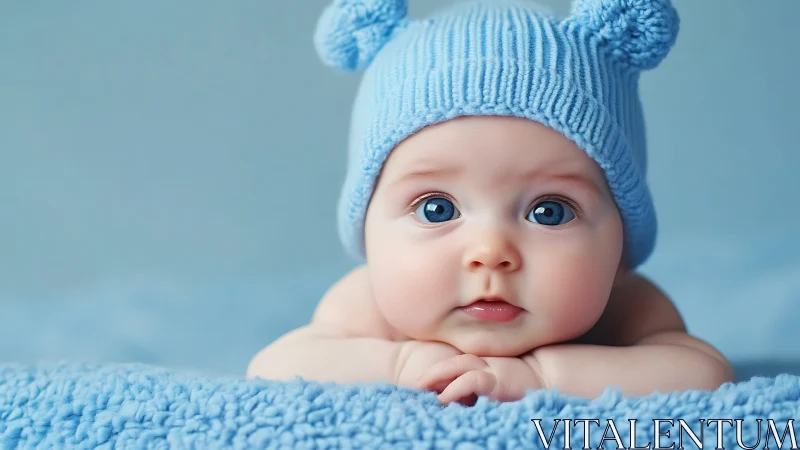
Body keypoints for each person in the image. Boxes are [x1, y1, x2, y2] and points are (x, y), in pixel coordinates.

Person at [248, 0, 735, 405]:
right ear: (369, 230)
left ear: (619, 241)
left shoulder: (622, 303)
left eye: (550, 211)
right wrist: (401, 362)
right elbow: (274, 367)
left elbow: (703, 374)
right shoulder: (368, 303)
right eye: (436, 208)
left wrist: (543, 377)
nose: (490, 251)